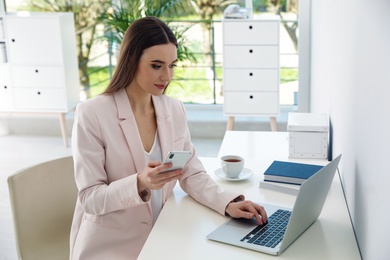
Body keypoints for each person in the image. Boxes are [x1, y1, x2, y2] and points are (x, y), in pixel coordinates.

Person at [69, 16, 268, 259]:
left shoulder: (173, 109)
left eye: (172, 65)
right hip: (112, 245)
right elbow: (90, 198)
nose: (167, 76)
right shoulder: (92, 113)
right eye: (156, 65)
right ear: (131, 60)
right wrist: (140, 182)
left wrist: (227, 203)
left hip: (164, 233)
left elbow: (191, 172)